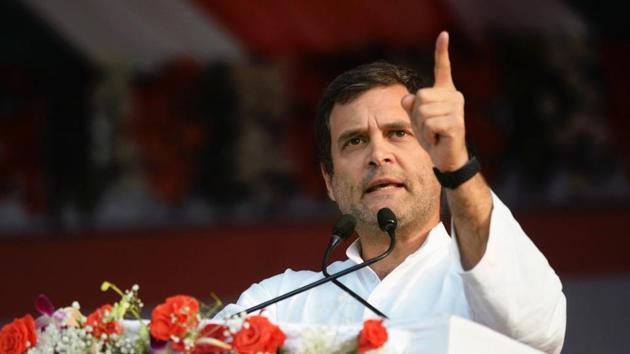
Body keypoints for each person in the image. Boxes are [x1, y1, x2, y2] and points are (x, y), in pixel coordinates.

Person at [217, 32, 566, 354]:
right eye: (354, 141)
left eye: (398, 133)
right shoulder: (281, 303)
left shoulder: (479, 280)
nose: (378, 155)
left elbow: (534, 330)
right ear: (329, 180)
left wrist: (458, 165)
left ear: (436, 156)